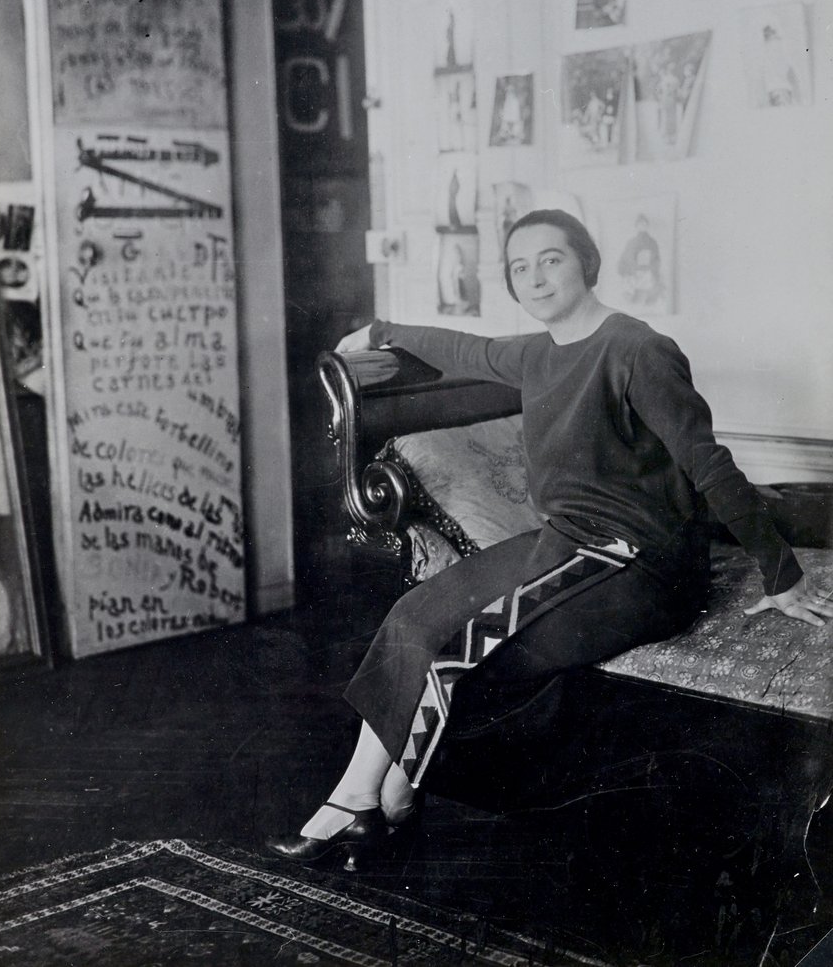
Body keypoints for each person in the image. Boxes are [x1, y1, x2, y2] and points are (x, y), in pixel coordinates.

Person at [265, 208, 830, 871]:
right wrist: (384, 330)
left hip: (640, 565)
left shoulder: (636, 349)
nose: (535, 277)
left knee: (458, 650)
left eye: (551, 259)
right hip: (565, 542)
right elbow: (460, 349)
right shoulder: (536, 354)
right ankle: (379, 799)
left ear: (587, 262)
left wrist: (782, 575)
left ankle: (364, 801)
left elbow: (708, 463)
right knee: (414, 615)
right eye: (519, 268)